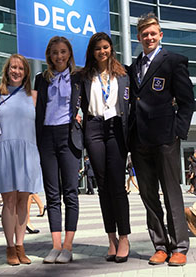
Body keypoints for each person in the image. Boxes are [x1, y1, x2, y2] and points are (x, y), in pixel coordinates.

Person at [128, 13, 194, 266]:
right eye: (144, 34)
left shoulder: (173, 61)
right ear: (139, 37)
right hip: (140, 140)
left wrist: (178, 131)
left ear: (160, 35)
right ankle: (160, 245)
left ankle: (179, 246)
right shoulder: (133, 67)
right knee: (148, 195)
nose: (149, 37)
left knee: (171, 193)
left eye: (153, 33)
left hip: (166, 138)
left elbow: (188, 102)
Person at [0, 54, 43, 266]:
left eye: (20, 68)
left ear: (26, 72)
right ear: (7, 70)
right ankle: (9, 246)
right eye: (12, 67)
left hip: (27, 151)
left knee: (23, 200)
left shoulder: (34, 96)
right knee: (8, 200)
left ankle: (20, 245)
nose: (16, 71)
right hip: (4, 150)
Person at [80, 32, 131, 263]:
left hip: (115, 127)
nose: (102, 51)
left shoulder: (123, 74)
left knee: (118, 185)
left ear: (111, 49)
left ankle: (124, 238)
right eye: (98, 48)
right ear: (92, 52)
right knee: (102, 186)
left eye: (106, 47)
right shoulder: (84, 76)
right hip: (93, 127)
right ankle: (111, 238)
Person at [35, 36, 83, 264]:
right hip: (46, 137)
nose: (59, 56)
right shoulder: (40, 79)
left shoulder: (79, 77)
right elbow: (34, 109)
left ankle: (68, 246)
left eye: (63, 51)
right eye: (54, 52)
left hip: (69, 135)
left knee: (70, 194)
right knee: (52, 195)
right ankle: (55, 246)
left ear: (69, 53)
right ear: (49, 56)